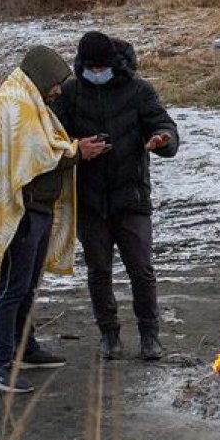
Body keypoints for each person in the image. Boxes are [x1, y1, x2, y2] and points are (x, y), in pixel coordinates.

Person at [0, 46, 108, 393]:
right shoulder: (16, 106)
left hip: (38, 210)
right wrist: (77, 152)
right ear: (42, 77)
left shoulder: (31, 104)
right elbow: (35, 156)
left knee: (27, 286)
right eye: (57, 83)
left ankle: (24, 349)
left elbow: (41, 148)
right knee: (12, 289)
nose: (59, 91)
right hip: (21, 213)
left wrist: (74, 148)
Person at [51, 32, 179, 361]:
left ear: (113, 63)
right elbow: (52, 140)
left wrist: (162, 140)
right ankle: (109, 335)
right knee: (99, 270)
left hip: (131, 196)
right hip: (89, 200)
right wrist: (79, 151)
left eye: (101, 66)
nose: (96, 71)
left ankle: (150, 335)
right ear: (81, 65)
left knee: (141, 269)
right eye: (90, 66)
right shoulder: (69, 94)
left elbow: (164, 125)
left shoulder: (139, 91)